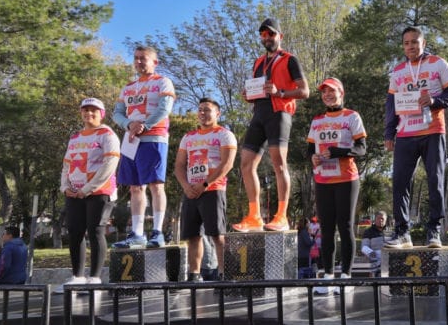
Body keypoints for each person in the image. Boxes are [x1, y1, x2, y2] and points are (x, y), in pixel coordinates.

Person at [384, 26, 448, 248]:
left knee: (435, 180)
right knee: (399, 182)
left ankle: (434, 231)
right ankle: (402, 232)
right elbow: (391, 104)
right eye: (407, 43)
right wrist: (389, 133)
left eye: (415, 42)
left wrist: (435, 101)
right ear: (402, 46)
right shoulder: (397, 71)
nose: (411, 46)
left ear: (423, 43)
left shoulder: (438, 63)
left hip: (432, 130)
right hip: (406, 133)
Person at [232, 19, 309, 233]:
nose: (267, 38)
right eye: (264, 35)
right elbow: (258, 90)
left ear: (280, 36)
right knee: (246, 165)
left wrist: (280, 92)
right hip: (259, 114)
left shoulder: (290, 59)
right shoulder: (257, 62)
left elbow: (305, 91)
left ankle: (282, 216)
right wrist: (249, 95)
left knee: (279, 165)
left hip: (279, 113)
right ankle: (254, 216)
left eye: (271, 34)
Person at [111, 45, 176, 249]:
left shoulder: (163, 82)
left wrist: (144, 125)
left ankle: (157, 232)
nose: (139, 62)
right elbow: (117, 113)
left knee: (156, 185)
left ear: (154, 62)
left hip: (154, 138)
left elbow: (164, 108)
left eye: (144, 58)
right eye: (136, 58)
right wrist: (129, 125)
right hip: (131, 140)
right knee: (135, 187)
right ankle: (137, 233)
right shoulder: (128, 87)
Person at [306, 78, 367, 293]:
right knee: (327, 228)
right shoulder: (316, 120)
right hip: (323, 179)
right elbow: (310, 150)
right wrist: (313, 158)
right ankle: (328, 276)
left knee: (346, 225)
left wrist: (337, 152)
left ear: (341, 92)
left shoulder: (351, 116)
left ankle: (346, 276)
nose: (327, 95)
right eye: (324, 92)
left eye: (331, 91)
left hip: (347, 179)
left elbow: (361, 149)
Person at [174, 97, 236, 281]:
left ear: (217, 113)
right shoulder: (188, 137)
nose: (202, 113)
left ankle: (224, 273)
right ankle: (194, 274)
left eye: (207, 110)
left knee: (217, 234)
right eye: (200, 110)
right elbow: (178, 166)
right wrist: (186, 186)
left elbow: (227, 164)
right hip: (191, 191)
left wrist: (204, 184)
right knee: (192, 236)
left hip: (213, 189)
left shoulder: (224, 134)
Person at [62, 97, 121, 287]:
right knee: (75, 232)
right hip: (75, 193)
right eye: (85, 110)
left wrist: (88, 189)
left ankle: (95, 278)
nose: (89, 113)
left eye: (93, 110)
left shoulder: (107, 134)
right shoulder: (75, 137)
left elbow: (110, 164)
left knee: (95, 231)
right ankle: (77, 277)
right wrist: (65, 187)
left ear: (101, 114)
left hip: (100, 192)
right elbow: (66, 164)